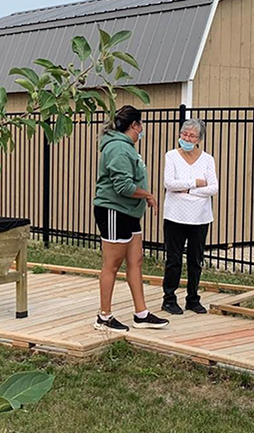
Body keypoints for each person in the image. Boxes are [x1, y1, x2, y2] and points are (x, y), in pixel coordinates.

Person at [92, 105, 170, 331]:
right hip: (114, 211)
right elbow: (123, 186)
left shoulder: (126, 147)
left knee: (136, 261)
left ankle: (141, 313)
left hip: (129, 212)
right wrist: (148, 195)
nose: (142, 130)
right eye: (141, 125)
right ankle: (103, 317)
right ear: (134, 125)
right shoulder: (118, 148)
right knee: (112, 265)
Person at [161, 118, 218, 315]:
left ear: (199, 139)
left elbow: (213, 187)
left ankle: (193, 298)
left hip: (200, 217)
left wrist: (187, 190)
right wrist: (195, 182)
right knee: (173, 259)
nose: (186, 138)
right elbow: (169, 184)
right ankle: (169, 299)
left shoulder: (208, 159)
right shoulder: (171, 156)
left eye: (191, 136)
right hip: (175, 216)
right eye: (184, 134)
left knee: (196, 259)